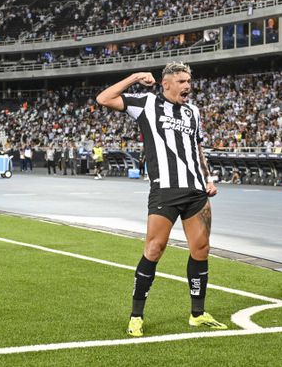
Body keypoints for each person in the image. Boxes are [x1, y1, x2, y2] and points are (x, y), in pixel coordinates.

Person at [96, 62, 227, 337]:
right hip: (164, 191)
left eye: (188, 81)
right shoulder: (146, 103)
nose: (187, 86)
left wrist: (208, 178)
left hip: (196, 191)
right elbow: (104, 98)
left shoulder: (193, 111)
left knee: (201, 249)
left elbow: (198, 148)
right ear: (165, 84)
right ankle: (136, 316)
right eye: (181, 81)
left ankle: (198, 313)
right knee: (154, 248)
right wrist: (134, 77)